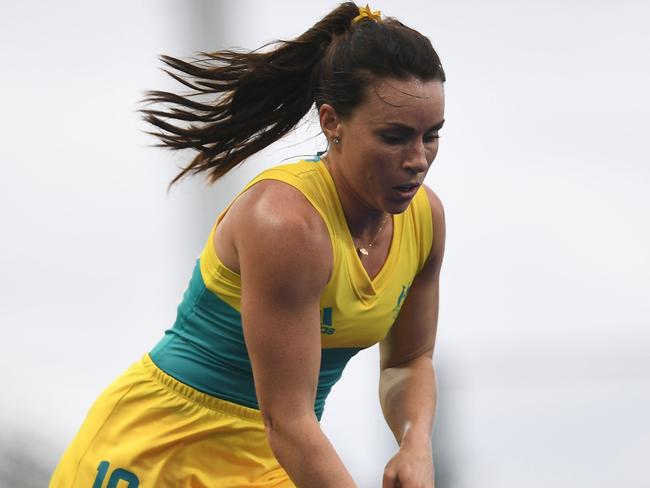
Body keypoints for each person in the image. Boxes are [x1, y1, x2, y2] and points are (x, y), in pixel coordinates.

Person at [50, 3, 446, 487]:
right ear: (331, 122)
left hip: (273, 457)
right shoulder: (286, 224)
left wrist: (415, 442)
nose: (417, 160)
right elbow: (287, 419)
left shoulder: (426, 220)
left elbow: (409, 360)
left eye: (432, 136)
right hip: (161, 452)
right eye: (395, 136)